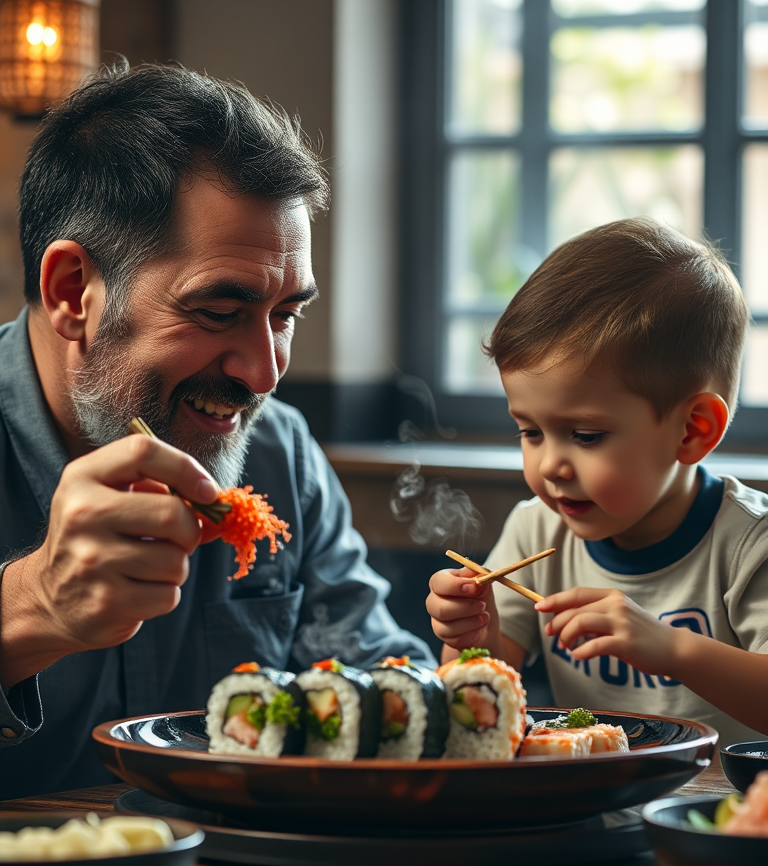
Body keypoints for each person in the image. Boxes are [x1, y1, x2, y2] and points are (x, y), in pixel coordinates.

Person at [0, 62, 433, 799]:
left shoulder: (279, 455)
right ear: (73, 292)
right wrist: (30, 609)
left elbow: (384, 681)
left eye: (286, 315)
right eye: (219, 311)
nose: (265, 374)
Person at [428, 217, 768, 747]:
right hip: (581, 810)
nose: (550, 466)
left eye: (585, 435)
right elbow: (474, 709)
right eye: (530, 431)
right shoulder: (537, 531)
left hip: (721, 819)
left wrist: (670, 648)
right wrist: (470, 639)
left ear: (692, 430)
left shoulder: (750, 545)